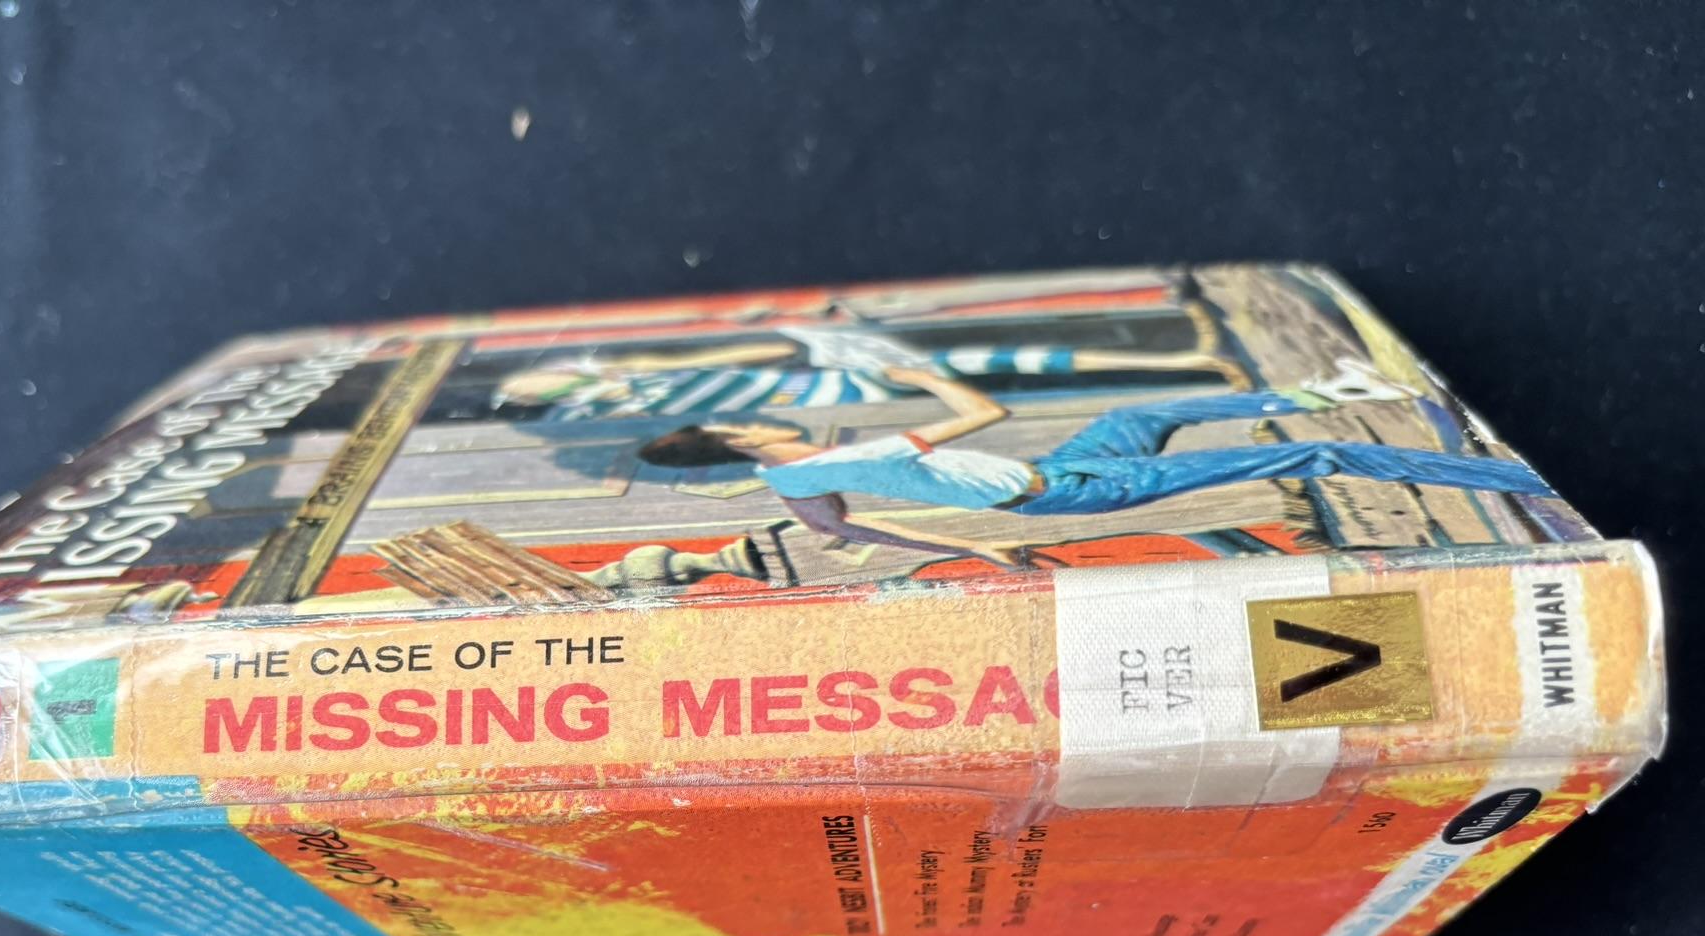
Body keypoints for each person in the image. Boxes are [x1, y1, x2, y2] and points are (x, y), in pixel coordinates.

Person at [633, 364, 1553, 565]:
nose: (758, 419)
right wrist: (926, 380)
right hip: (1079, 487)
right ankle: (1522, 476)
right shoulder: (853, 452)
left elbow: (841, 527)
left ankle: (1322, 389)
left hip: (1052, 471)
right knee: (1322, 458)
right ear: (739, 438)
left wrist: (972, 547)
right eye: (743, 422)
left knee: (1137, 412)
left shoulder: (791, 482)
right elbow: (985, 414)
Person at [497, 334, 1228, 420]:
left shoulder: (621, 377)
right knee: (1002, 375)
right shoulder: (596, 412)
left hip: (829, 390)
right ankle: (1181, 373)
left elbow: (756, 355)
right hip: (829, 405)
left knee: (1004, 364)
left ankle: (1180, 365)